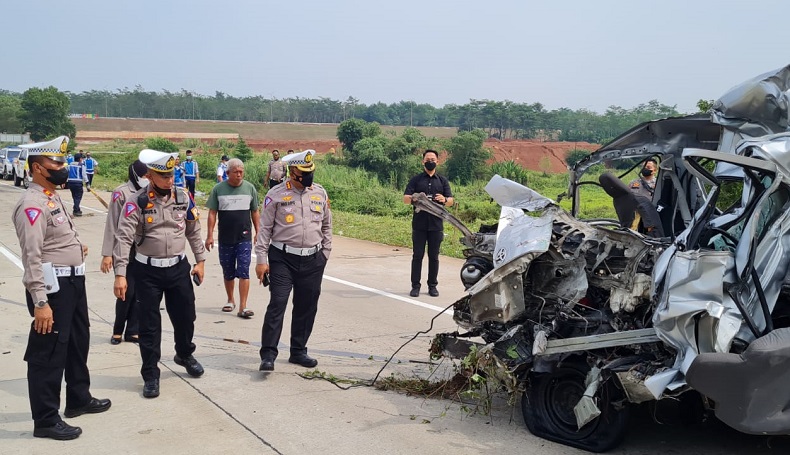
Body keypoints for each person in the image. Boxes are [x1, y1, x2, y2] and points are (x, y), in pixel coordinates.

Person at [12, 136, 111, 440]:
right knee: (49, 353)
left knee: (78, 342)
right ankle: (45, 418)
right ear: (38, 168)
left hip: (73, 282)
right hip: (52, 288)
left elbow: (54, 238)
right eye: (56, 163)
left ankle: (78, 398)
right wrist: (40, 302)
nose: (62, 167)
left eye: (62, 162)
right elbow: (31, 256)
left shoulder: (51, 197)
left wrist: (74, 245)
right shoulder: (32, 203)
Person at [112, 149, 207, 399]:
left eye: (171, 175)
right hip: (146, 271)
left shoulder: (183, 197)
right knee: (149, 326)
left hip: (178, 268)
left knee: (186, 316)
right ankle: (151, 374)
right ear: (151, 176)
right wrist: (120, 273)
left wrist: (200, 260)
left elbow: (193, 230)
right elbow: (123, 237)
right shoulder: (137, 201)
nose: (169, 180)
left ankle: (184, 354)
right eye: (163, 176)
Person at [255, 149, 332, 372]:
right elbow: (265, 229)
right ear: (293, 172)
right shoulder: (276, 194)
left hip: (313, 259)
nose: (309, 176)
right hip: (282, 258)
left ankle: (298, 351)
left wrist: (325, 252)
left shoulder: (319, 193)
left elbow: (327, 225)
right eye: (304, 172)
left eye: (311, 171)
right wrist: (261, 259)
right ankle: (268, 354)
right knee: (278, 304)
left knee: (306, 306)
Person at [100, 160, 149, 345]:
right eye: (144, 176)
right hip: (123, 250)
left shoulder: (149, 193)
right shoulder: (121, 193)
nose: (146, 179)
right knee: (125, 292)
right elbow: (112, 223)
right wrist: (107, 254)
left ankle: (133, 331)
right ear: (135, 175)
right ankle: (118, 330)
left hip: (143, 249)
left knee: (139, 293)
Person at [205, 158, 260, 319]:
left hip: (244, 237)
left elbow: (255, 212)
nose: (239, 174)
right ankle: (230, 299)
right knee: (228, 270)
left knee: (244, 270)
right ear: (227, 173)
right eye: (235, 172)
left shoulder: (250, 188)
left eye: (241, 171)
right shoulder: (218, 189)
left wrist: (259, 232)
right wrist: (209, 235)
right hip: (225, 237)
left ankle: (243, 306)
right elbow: (212, 213)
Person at [403, 149, 454, 298]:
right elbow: (405, 199)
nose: (430, 161)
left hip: (436, 225)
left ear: (438, 162)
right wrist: (417, 198)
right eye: (427, 159)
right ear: (423, 161)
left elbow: (451, 201)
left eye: (433, 159)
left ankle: (432, 286)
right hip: (419, 225)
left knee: (434, 256)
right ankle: (415, 286)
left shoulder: (442, 181)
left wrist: (444, 199)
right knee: (417, 256)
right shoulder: (416, 180)